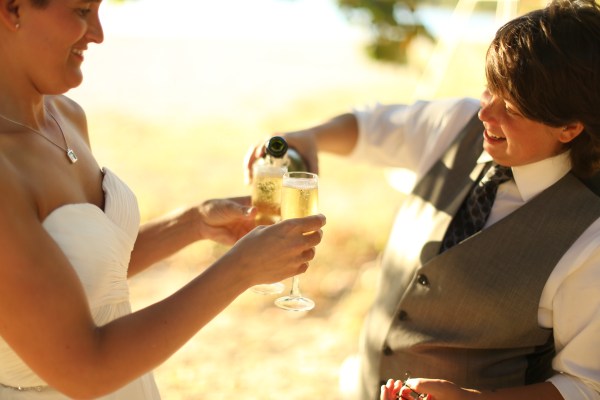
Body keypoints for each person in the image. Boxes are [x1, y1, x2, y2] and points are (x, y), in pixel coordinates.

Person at [245, 0, 600, 399]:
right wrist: (309, 138)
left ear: (569, 127)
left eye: (512, 107)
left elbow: (585, 385)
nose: (485, 114)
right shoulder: (458, 124)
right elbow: (370, 127)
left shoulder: (590, 237)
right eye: (490, 89)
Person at [0, 0, 326, 399]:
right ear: (13, 9)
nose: (98, 34)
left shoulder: (66, 117)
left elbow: (90, 273)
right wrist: (241, 269)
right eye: (82, 11)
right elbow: (84, 370)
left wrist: (193, 223)